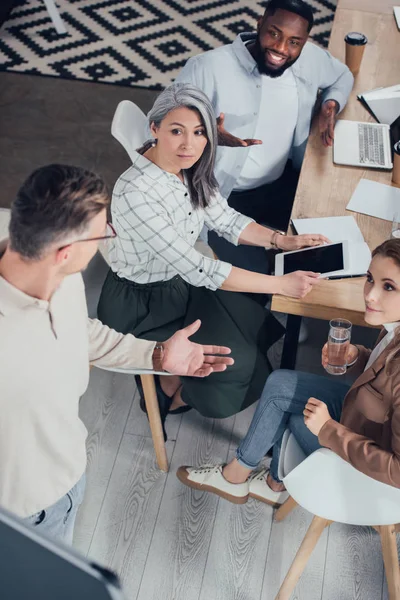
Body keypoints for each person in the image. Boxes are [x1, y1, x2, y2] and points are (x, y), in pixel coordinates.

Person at [0, 164, 235, 544]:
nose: (108, 239)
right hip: (26, 511)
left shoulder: (60, 277)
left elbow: (84, 334)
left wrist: (158, 356)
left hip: (70, 471)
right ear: (65, 252)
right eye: (102, 234)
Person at [97, 83, 328, 436]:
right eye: (176, 131)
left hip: (179, 285)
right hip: (141, 304)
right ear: (154, 129)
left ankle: (174, 384)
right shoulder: (135, 193)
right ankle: (174, 391)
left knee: (250, 320)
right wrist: (281, 283)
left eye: (200, 132)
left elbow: (226, 219)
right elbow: (199, 267)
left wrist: (282, 240)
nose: (189, 143)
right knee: (237, 359)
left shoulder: (189, 166)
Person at [177, 239, 400, 505]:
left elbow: (397, 472)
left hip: (369, 467)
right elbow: (383, 373)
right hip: (361, 417)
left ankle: (256, 480)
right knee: (281, 384)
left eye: (389, 287)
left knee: (296, 419)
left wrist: (328, 429)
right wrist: (358, 356)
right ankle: (256, 479)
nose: (370, 295)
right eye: (370, 279)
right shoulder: (393, 323)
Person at [175, 0, 353, 275]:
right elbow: (163, 127)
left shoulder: (310, 59)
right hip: (225, 197)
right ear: (260, 24)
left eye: (294, 41)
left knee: (332, 245)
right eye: (274, 33)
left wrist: (331, 104)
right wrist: (205, 135)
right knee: (255, 276)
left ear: (305, 42)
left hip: (282, 183)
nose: (282, 48)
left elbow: (342, 76)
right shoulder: (206, 68)